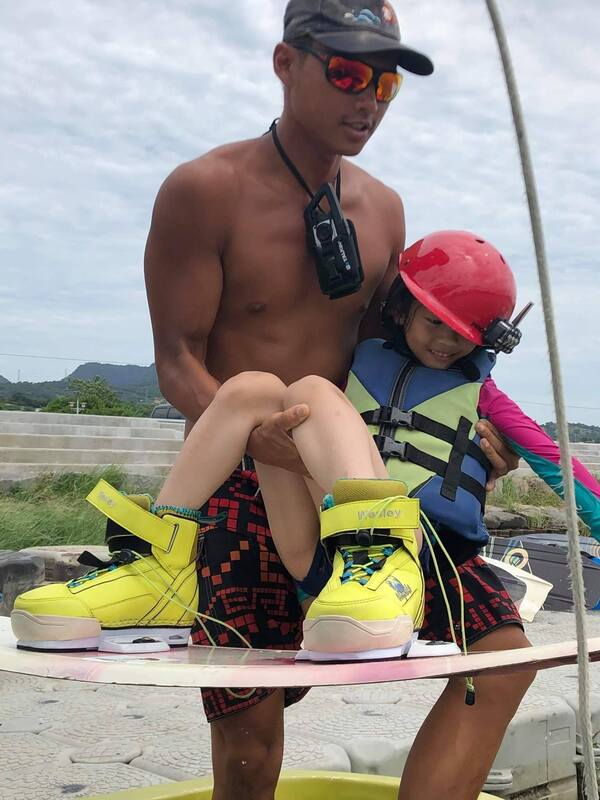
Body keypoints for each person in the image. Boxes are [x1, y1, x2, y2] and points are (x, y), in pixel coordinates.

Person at [10, 3, 533, 799]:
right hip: (237, 484)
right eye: (349, 73)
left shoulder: (384, 209)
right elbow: (177, 360)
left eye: (386, 84)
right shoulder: (203, 190)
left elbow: (405, 351)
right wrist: (260, 444)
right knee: (251, 736)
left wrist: (467, 440)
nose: (369, 101)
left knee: (499, 657)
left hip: (358, 485)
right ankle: (155, 575)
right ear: (286, 63)